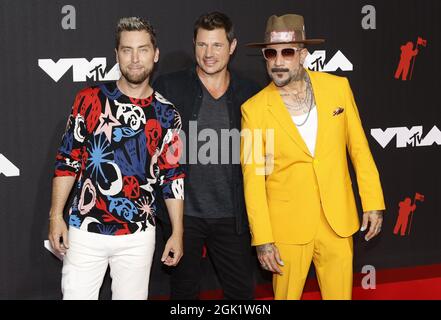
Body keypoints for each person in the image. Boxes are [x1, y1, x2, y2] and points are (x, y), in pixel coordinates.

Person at [241, 14, 385, 300]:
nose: (278, 61)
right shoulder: (253, 110)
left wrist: (373, 202)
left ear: (303, 54)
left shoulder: (337, 89)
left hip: (338, 222)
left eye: (287, 52)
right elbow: (253, 180)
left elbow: (359, 149)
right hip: (286, 230)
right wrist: (263, 239)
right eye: (271, 53)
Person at [48, 17, 185, 300]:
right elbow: (68, 159)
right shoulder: (89, 99)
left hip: (139, 235)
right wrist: (55, 215)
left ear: (155, 54)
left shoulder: (168, 114)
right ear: (117, 54)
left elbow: (172, 177)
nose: (135, 59)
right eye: (127, 50)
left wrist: (177, 231)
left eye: (143, 49)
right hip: (85, 229)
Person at [153, 12, 260, 300]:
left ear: (232, 46)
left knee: (241, 295)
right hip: (183, 217)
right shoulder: (168, 87)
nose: (208, 54)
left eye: (216, 45)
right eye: (202, 45)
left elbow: (261, 159)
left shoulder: (251, 93)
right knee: (183, 295)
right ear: (193, 45)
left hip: (233, 216)